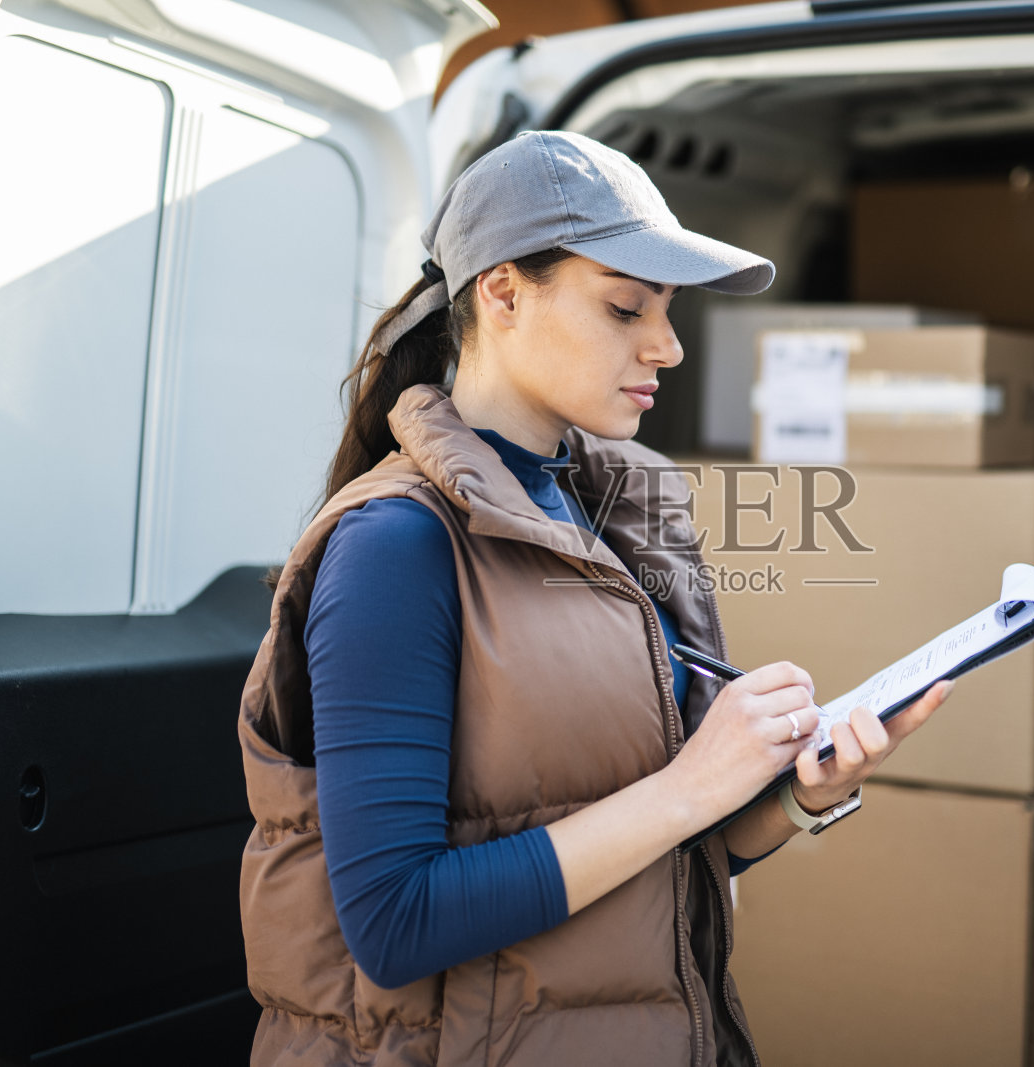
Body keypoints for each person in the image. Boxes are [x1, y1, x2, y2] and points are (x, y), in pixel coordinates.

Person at [236, 130, 950, 1067]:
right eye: (625, 308)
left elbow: (677, 850)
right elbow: (394, 920)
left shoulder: (621, 512)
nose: (668, 345)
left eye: (667, 310)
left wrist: (800, 793)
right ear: (502, 292)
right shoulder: (397, 546)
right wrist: (692, 784)